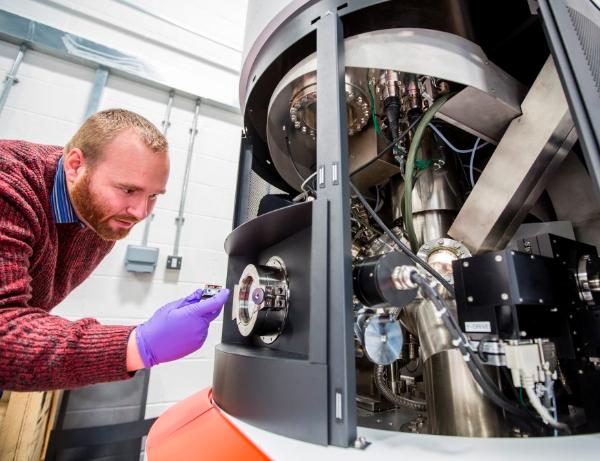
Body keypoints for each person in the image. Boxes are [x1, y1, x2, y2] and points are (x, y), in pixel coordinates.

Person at [0, 108, 230, 391]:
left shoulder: (100, 212)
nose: (140, 212)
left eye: (153, 196)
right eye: (128, 190)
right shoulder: (8, 186)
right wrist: (137, 345)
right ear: (75, 166)